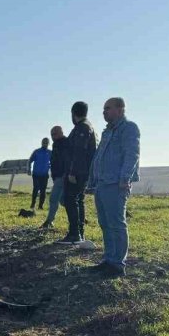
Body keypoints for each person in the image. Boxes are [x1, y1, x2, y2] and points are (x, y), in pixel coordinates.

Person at [87, 97, 140, 277]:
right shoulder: (106, 132)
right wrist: (92, 180)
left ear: (120, 109)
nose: (104, 112)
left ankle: (117, 264)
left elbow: (132, 154)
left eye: (108, 108)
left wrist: (125, 178)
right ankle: (109, 260)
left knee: (116, 224)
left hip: (116, 184)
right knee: (105, 223)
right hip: (102, 184)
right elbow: (98, 156)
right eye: (103, 109)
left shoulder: (129, 128)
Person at [59, 101, 98, 244]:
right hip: (82, 171)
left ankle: (74, 234)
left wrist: (72, 172)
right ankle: (79, 234)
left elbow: (79, 152)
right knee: (78, 200)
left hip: (78, 172)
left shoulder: (82, 128)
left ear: (73, 113)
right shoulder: (86, 127)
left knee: (71, 200)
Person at [41, 126, 69, 229]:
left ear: (61, 132)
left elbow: (66, 160)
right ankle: (79, 216)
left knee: (54, 198)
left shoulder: (65, 143)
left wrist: (64, 173)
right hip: (58, 176)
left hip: (62, 175)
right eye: (52, 134)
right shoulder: (56, 144)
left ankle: (49, 221)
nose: (53, 136)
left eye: (55, 134)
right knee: (63, 200)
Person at [28, 138, 52, 209]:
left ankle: (40, 206)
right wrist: (29, 169)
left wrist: (51, 167)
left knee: (43, 190)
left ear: (48, 143)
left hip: (44, 175)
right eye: (44, 142)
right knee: (35, 188)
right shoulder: (37, 151)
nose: (45, 144)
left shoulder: (50, 152)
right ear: (41, 143)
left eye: (46, 142)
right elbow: (30, 161)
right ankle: (33, 204)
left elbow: (54, 162)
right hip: (36, 174)